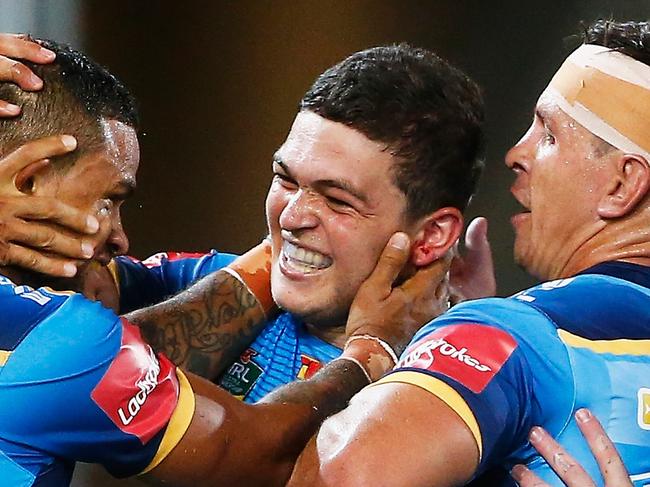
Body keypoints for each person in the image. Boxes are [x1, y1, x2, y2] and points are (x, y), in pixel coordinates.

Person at [0, 38, 446, 486]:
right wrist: (371, 352)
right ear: (30, 181)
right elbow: (250, 447)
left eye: (336, 199)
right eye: (108, 201)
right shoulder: (59, 337)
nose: (119, 237)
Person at [288, 19, 650, 487]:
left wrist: (375, 350)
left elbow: (338, 477)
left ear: (623, 184)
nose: (515, 153)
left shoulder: (514, 339)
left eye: (549, 135)